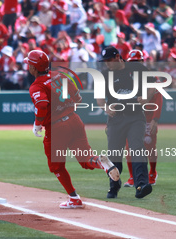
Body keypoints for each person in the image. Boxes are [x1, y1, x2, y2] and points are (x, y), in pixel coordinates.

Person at [25, 50, 120, 209]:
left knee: (56, 166)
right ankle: (100, 162)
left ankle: (74, 198)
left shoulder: (37, 86)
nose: (27, 66)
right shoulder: (60, 75)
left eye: (29, 63)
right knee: (86, 159)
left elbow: (41, 105)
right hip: (74, 120)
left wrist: (37, 124)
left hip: (57, 128)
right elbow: (78, 96)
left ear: (34, 68)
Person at [97, 46, 156, 199]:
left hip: (135, 116)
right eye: (105, 61)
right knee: (114, 153)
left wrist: (147, 98)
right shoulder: (104, 75)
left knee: (137, 148)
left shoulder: (137, 68)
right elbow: (99, 98)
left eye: (109, 60)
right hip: (116, 119)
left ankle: (141, 185)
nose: (107, 64)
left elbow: (152, 85)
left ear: (118, 57)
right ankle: (114, 186)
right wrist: (106, 108)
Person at [123, 50, 163, 187]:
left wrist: (155, 120)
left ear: (142, 62)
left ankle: (152, 172)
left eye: (136, 62)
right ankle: (133, 177)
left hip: (148, 117)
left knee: (149, 145)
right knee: (129, 148)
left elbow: (159, 99)